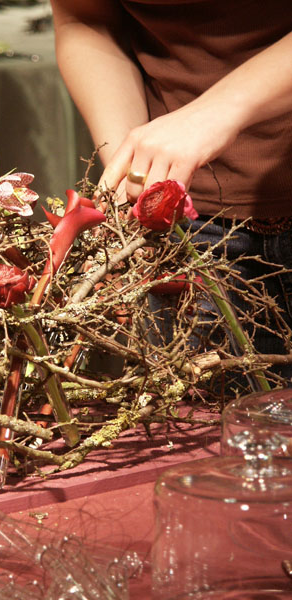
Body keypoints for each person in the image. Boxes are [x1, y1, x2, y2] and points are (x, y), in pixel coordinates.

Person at [49, 0, 292, 386]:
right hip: (191, 234)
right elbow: (86, 19)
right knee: (200, 419)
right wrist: (135, 177)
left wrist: (217, 111)